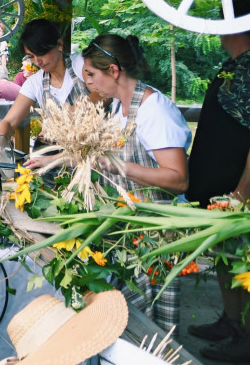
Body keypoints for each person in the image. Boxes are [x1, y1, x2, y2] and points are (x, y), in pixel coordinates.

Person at [81, 33, 190, 330]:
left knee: (156, 331)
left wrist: (120, 166)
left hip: (157, 234)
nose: (89, 83)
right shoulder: (118, 108)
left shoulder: (154, 110)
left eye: (92, 74)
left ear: (113, 71)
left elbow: (178, 180)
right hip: (131, 231)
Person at [185, 0, 250, 363]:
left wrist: (241, 192)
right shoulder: (234, 66)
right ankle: (231, 320)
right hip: (218, 187)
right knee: (226, 257)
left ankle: (247, 336)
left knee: (243, 262)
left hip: (238, 191)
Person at [0, 19, 89, 164]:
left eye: (42, 53)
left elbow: (103, 95)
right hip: (53, 160)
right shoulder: (35, 82)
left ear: (59, 45)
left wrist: (68, 114)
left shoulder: (81, 65)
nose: (38, 61)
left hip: (90, 154)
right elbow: (9, 121)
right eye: (31, 56)